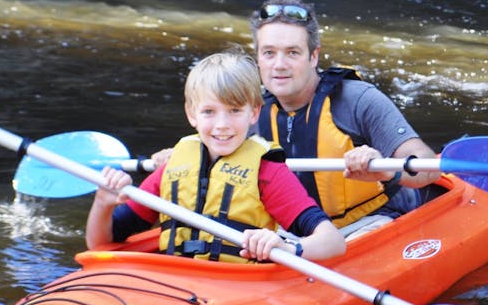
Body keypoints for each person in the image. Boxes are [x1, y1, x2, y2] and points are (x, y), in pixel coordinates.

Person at [86, 49, 346, 263]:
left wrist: (288, 247)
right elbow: (101, 244)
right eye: (209, 112)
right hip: (171, 283)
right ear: (191, 114)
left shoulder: (267, 173)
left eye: (234, 110)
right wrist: (103, 204)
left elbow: (332, 242)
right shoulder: (172, 168)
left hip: (234, 288)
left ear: (254, 112)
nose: (222, 124)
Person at [248, 0, 441, 229]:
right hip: (291, 231)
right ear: (258, 57)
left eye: (292, 53)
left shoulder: (357, 100)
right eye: (269, 53)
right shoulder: (247, 113)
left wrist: (385, 169)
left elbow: (428, 166)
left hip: (372, 221)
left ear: (313, 56)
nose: (279, 65)